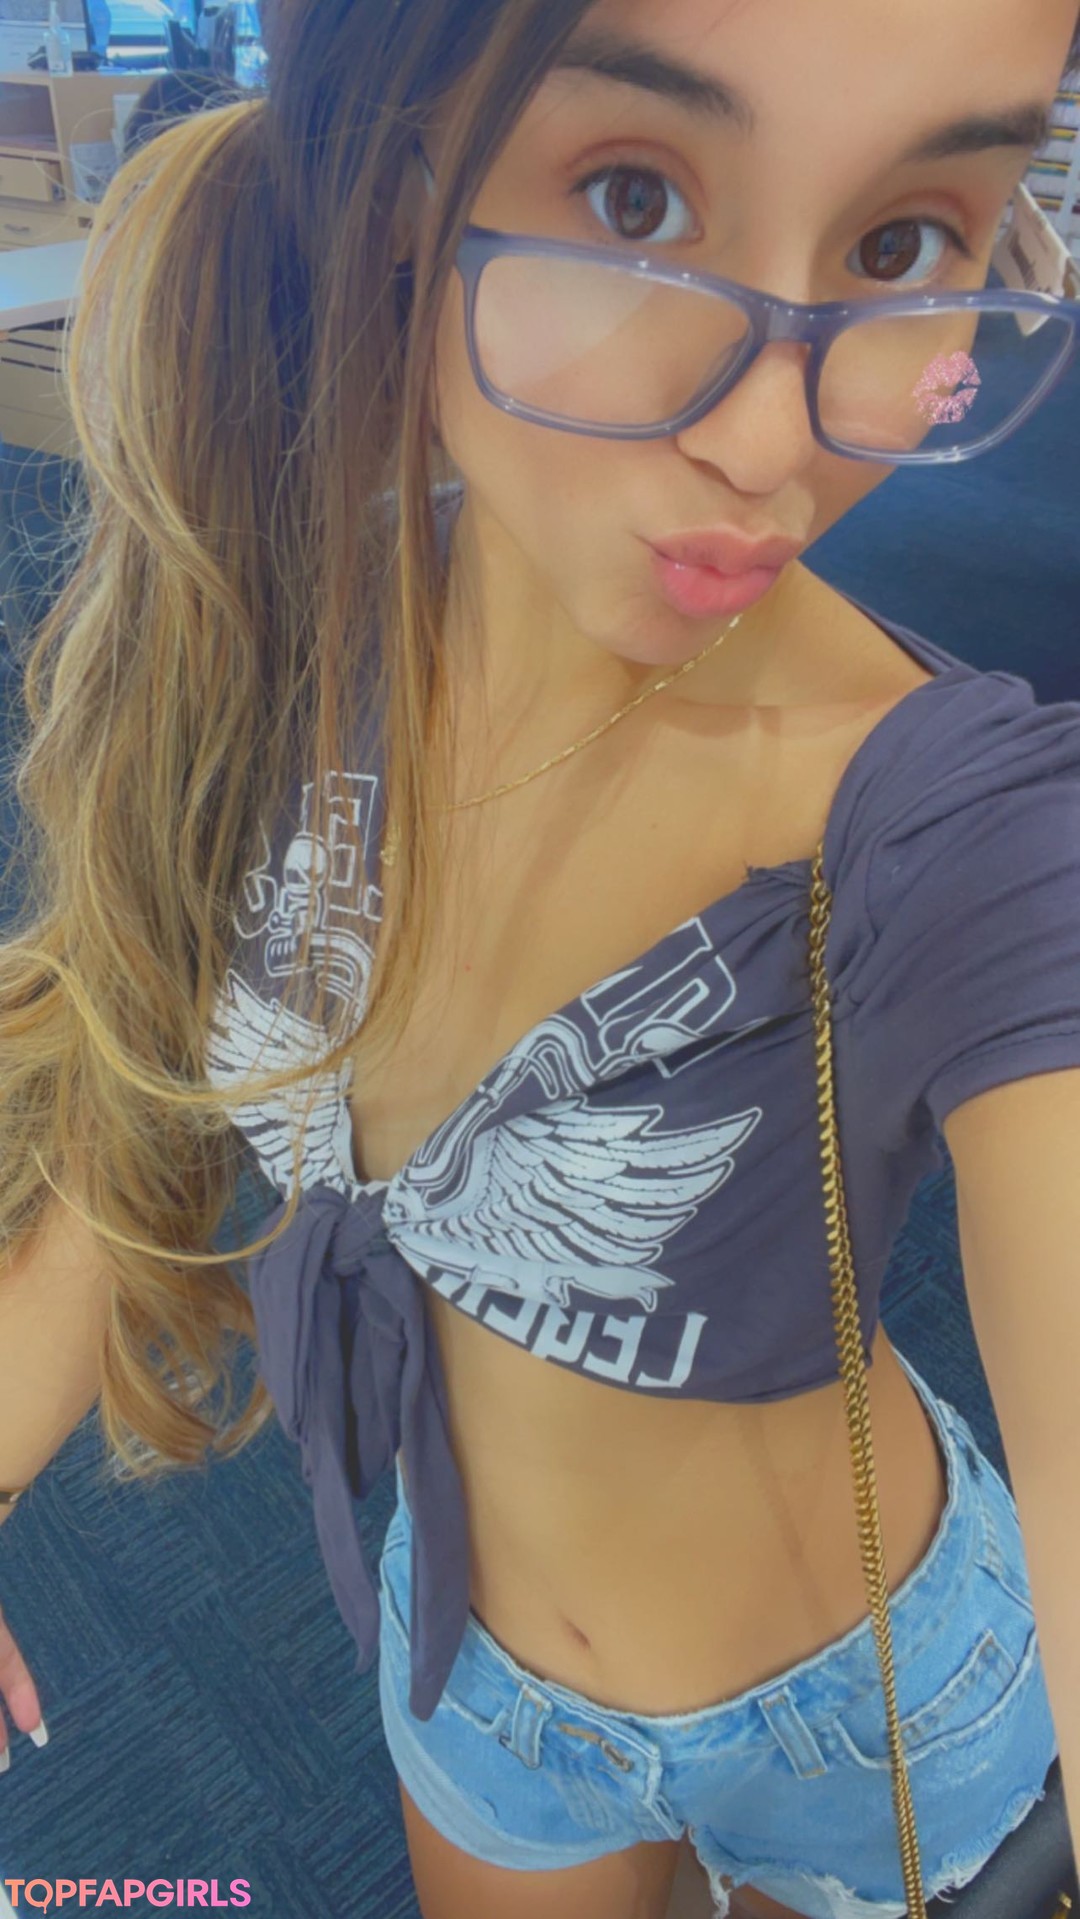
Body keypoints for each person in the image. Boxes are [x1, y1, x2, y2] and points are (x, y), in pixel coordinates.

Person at [0, 4, 1079, 1917]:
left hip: (877, 1710)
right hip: (484, 1683)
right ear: (392, 204)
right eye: (635, 198)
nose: (770, 440)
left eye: (905, 240)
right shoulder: (286, 633)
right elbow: (144, 1072)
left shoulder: (961, 828)